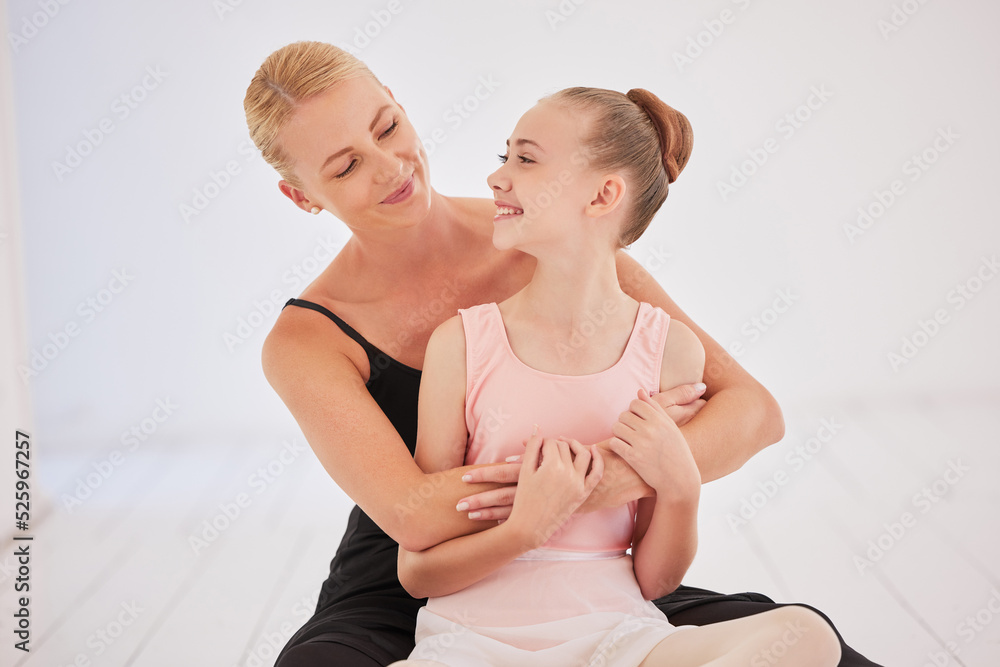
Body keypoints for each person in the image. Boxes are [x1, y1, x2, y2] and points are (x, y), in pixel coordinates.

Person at [243, 41, 880, 666]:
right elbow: (415, 514)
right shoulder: (307, 340)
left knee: (812, 643)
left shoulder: (545, 230)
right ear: (302, 196)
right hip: (406, 587)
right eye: (345, 166)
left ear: (398, 103)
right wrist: (557, 494)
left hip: (583, 573)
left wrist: (606, 480)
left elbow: (752, 412)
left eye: (387, 128)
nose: (389, 166)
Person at [385, 86, 841, 666]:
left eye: (525, 159)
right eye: (504, 158)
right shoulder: (464, 343)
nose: (498, 179)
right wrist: (526, 528)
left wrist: (680, 486)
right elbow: (418, 572)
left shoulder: (668, 351)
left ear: (603, 194)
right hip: (473, 646)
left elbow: (654, 581)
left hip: (617, 642)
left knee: (806, 635)